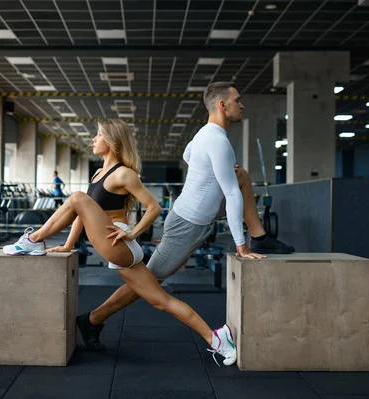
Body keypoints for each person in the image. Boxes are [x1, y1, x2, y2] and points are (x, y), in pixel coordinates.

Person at [73, 82, 294, 351]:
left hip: (198, 216)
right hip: (187, 224)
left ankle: (259, 236)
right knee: (148, 283)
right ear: (223, 105)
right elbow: (232, 196)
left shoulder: (204, 134)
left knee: (241, 176)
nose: (242, 104)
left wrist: (206, 172)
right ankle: (93, 319)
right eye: (238, 100)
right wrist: (240, 246)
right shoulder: (218, 141)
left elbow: (188, 154)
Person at [3, 119, 237, 366]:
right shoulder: (98, 173)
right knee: (161, 301)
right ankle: (216, 338)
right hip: (116, 248)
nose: (93, 139)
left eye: (98, 135)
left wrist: (133, 232)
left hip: (119, 244)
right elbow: (81, 215)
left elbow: (153, 207)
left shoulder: (124, 173)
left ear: (112, 142)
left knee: (77, 198)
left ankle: (32, 239)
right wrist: (69, 245)